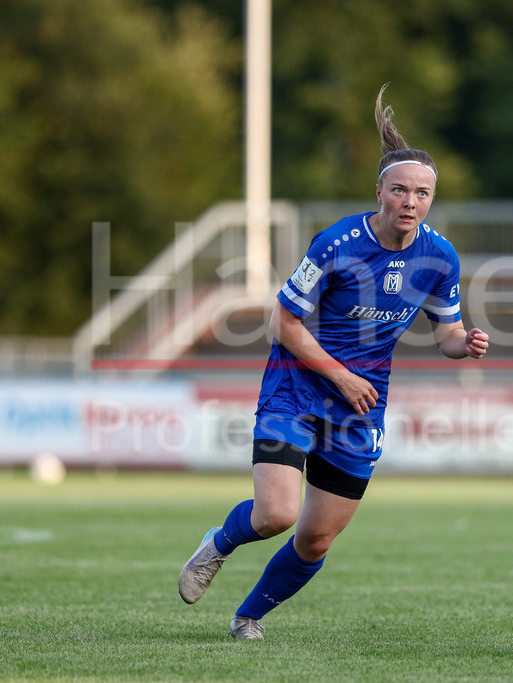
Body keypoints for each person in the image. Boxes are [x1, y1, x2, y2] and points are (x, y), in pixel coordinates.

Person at [179, 85, 489, 640]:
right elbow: (283, 323)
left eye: (421, 193)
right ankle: (218, 544)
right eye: (399, 191)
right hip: (296, 388)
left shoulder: (440, 256)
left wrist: (465, 343)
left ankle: (248, 617)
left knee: (316, 538)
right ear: (380, 192)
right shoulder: (336, 243)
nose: (410, 202)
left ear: (431, 199)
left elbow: (445, 332)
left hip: (360, 405)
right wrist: (341, 375)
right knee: (275, 514)